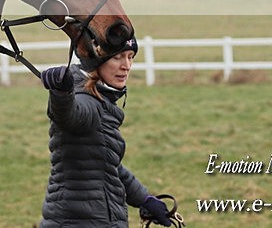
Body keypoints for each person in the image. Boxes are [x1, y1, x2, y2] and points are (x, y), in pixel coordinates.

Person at [39, 39, 178, 227]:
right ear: (95, 61)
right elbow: (69, 116)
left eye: (130, 57)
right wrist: (61, 95)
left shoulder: (101, 100)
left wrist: (145, 199)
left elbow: (108, 165)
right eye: (117, 57)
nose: (126, 66)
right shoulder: (86, 100)